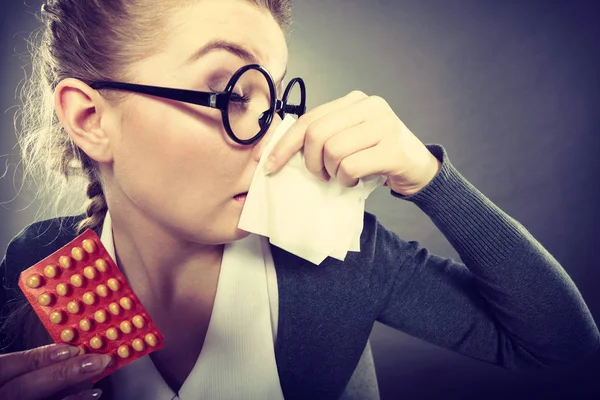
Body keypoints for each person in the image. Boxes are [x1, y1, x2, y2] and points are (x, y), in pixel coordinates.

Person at [1, 0, 598, 399]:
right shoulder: (36, 265)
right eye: (230, 92)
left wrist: (428, 178)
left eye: (277, 101)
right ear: (90, 118)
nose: (273, 138)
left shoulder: (336, 258)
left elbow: (565, 350)